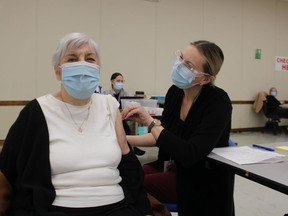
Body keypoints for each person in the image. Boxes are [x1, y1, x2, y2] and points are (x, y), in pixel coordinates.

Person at [0, 32, 152, 216]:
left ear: (98, 68)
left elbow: (129, 166)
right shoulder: (37, 111)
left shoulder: (109, 105)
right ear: (58, 71)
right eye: (72, 59)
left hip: (116, 206)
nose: (82, 65)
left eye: (89, 59)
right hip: (58, 208)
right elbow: (7, 172)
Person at [122, 40, 234, 216]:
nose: (179, 65)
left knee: (135, 183)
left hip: (200, 177)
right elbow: (162, 136)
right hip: (173, 166)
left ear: (205, 78)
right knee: (126, 175)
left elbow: (190, 153)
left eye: (188, 65)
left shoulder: (218, 103)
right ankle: (159, 210)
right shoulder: (175, 92)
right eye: (180, 58)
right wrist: (123, 139)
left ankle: (159, 210)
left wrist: (149, 122)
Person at [103, 73, 146, 156]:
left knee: (125, 125)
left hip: (123, 116)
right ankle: (131, 146)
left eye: (122, 81)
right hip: (110, 117)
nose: (120, 83)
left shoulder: (126, 94)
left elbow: (131, 103)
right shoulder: (105, 93)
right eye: (118, 81)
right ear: (112, 81)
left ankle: (130, 145)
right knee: (124, 126)